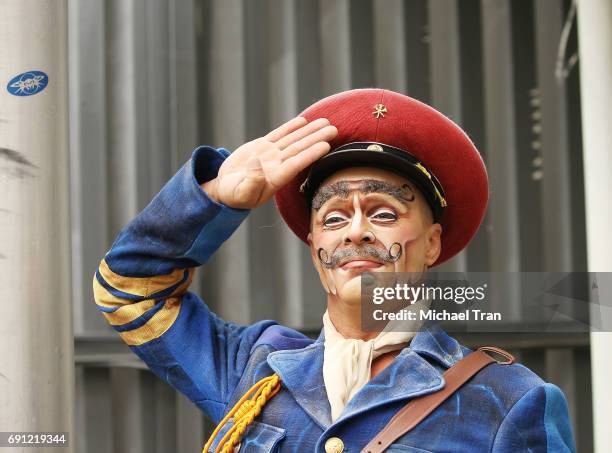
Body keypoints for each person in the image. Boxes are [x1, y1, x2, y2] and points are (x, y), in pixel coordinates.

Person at [93, 89, 575, 452]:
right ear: (313, 243)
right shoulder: (255, 368)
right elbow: (130, 290)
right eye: (334, 217)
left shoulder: (509, 398)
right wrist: (215, 199)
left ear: (432, 244)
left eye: (384, 214)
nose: (355, 233)